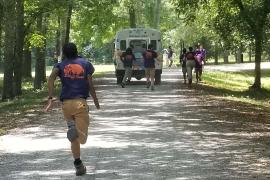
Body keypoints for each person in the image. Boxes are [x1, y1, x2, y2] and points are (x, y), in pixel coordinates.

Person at [45, 43, 100, 176]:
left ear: (64, 53)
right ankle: (76, 131)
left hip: (66, 105)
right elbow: (90, 85)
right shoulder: (86, 64)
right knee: (82, 138)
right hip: (80, 104)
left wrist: (50, 98)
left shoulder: (60, 65)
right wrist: (96, 101)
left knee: (73, 137)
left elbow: (51, 78)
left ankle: (78, 165)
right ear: (77, 51)